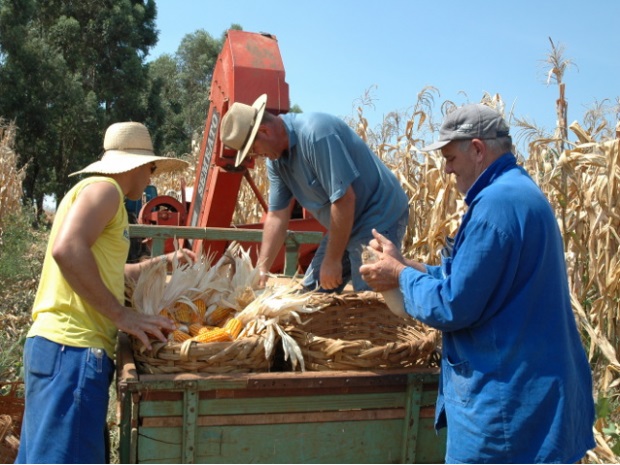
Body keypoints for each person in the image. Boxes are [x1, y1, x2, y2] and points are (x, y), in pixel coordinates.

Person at [359, 104, 595, 463]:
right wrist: (405, 264)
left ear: (478, 149)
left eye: (451, 157)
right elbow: (474, 278)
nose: (447, 168)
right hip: (533, 388)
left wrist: (398, 277)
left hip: (507, 405)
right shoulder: (516, 193)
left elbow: (454, 304)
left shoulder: (494, 208)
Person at [16, 122, 195, 464]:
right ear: (138, 165)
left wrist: (162, 262)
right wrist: (121, 315)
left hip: (54, 348)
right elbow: (67, 250)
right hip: (74, 349)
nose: (151, 177)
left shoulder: (90, 192)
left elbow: (107, 273)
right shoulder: (107, 191)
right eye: (152, 167)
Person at [220, 94, 409, 292]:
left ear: (264, 130)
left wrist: (333, 260)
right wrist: (262, 268)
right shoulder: (275, 163)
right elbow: (276, 216)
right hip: (345, 222)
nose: (256, 157)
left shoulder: (316, 134)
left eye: (253, 150)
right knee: (310, 294)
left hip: (377, 214)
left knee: (370, 293)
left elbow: (345, 200)